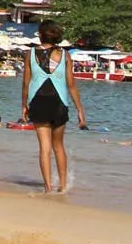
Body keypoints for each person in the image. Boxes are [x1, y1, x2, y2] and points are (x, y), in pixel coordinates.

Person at [22, 21, 87, 195]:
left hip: (38, 102)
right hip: (59, 103)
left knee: (44, 147)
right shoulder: (65, 55)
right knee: (58, 146)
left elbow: (26, 83)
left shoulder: (30, 54)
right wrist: (80, 109)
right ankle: (63, 186)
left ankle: (48, 187)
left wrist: (24, 105)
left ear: (40, 35)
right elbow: (71, 85)